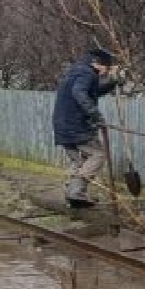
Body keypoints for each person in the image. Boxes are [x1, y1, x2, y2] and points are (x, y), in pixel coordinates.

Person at [52, 48, 124, 207]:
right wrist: (95, 115)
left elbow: (93, 91)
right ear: (97, 64)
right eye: (106, 68)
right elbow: (79, 93)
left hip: (62, 126)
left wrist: (112, 82)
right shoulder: (86, 73)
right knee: (98, 155)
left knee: (80, 161)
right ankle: (76, 192)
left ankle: (73, 195)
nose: (105, 73)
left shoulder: (76, 72)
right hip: (76, 126)